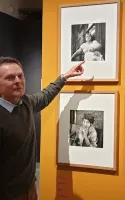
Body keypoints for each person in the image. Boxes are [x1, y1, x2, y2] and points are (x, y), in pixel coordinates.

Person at [0, 56, 84, 200]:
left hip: (29, 188)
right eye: (10, 78)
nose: (18, 81)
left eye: (20, 76)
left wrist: (65, 76)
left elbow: (45, 95)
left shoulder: (26, 103)